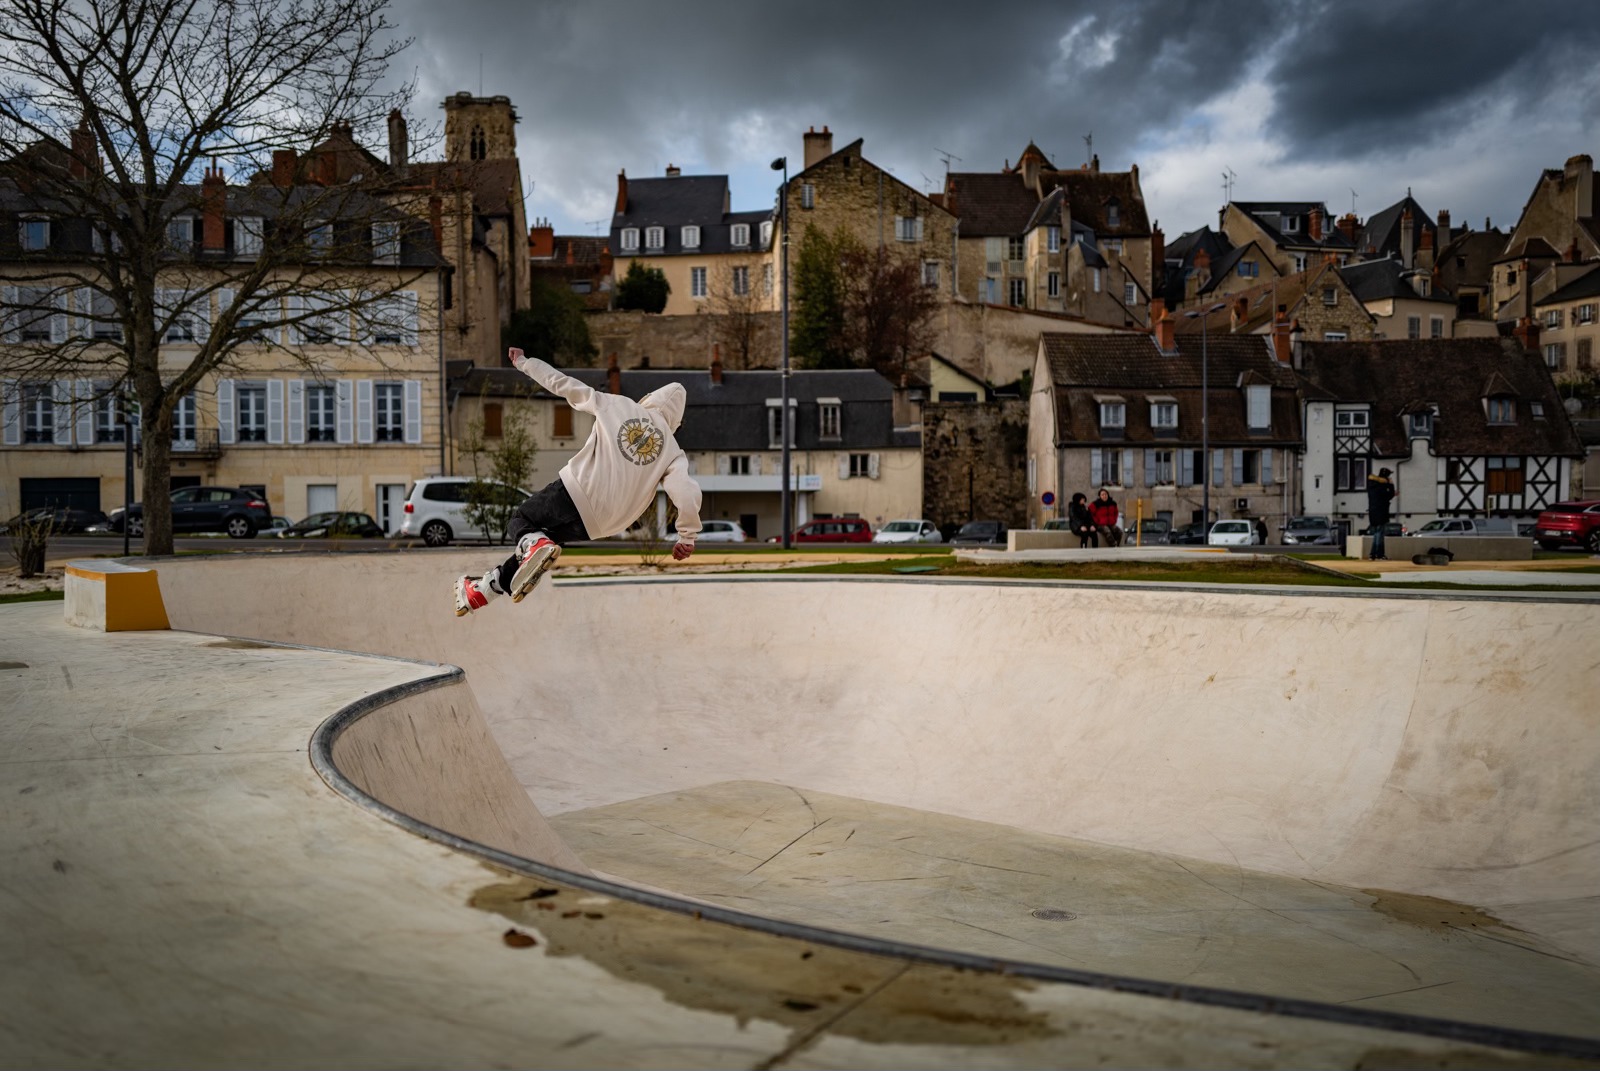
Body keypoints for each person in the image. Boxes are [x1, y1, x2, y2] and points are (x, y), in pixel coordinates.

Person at [454, 348, 703, 615]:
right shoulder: (673, 452)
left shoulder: (619, 404)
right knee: (542, 543)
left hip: (579, 491)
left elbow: (565, 385)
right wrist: (686, 536)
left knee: (521, 519)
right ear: (674, 422)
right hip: (602, 524)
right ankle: (483, 591)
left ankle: (532, 545)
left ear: (649, 400)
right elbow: (685, 493)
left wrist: (526, 363)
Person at [1366, 467, 1396, 561]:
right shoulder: (1382, 486)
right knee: (1380, 534)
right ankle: (1379, 554)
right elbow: (1389, 495)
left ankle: (1372, 555)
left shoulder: (1371, 485)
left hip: (1372, 513)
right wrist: (1391, 485)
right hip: (1381, 512)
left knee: (1376, 533)